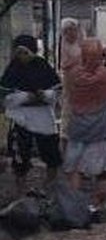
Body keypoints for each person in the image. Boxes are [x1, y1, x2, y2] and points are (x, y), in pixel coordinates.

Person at [63, 38, 106, 209]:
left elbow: (70, 64)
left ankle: (74, 207)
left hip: (77, 131)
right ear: (101, 57)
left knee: (75, 170)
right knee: (103, 173)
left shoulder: (73, 75)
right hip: (102, 133)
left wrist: (84, 56)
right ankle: (99, 207)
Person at [0, 35, 62, 194]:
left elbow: (55, 92)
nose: (21, 56)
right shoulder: (12, 70)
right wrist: (27, 97)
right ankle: (22, 190)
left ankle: (48, 188)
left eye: (25, 52)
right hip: (20, 118)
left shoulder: (43, 67)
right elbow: (6, 97)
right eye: (18, 52)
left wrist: (44, 96)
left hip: (43, 118)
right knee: (20, 154)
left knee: (51, 154)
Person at [59, 18, 83, 145]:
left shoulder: (79, 44)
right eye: (68, 31)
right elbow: (64, 65)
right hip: (70, 81)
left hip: (81, 81)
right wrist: (76, 61)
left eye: (74, 30)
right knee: (68, 109)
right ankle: (65, 137)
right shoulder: (64, 46)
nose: (72, 33)